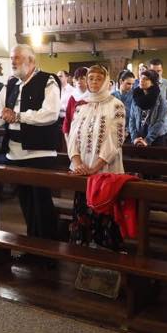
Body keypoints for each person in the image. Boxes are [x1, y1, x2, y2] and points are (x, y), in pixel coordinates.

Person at [0, 44, 62, 239]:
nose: (12, 62)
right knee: (26, 202)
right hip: (15, 152)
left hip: (39, 153)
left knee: (41, 203)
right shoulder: (11, 84)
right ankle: (32, 244)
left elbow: (51, 113)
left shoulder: (47, 80)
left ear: (31, 60)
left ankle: (47, 248)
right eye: (11, 58)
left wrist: (19, 116)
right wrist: (4, 115)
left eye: (17, 58)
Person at [67, 65, 127, 249]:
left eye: (98, 78)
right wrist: (77, 162)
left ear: (106, 81)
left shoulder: (116, 105)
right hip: (82, 170)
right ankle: (83, 250)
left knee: (104, 215)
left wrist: (95, 168)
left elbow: (116, 139)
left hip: (105, 170)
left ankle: (105, 254)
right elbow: (72, 136)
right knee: (83, 213)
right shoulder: (81, 106)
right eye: (91, 78)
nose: (94, 82)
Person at [127, 70, 167, 147]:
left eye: (146, 79)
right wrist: (134, 138)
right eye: (141, 78)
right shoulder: (136, 96)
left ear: (153, 82)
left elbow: (160, 121)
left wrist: (147, 140)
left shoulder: (160, 98)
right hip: (139, 136)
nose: (141, 80)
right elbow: (132, 119)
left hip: (156, 138)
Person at [62, 67, 89, 135]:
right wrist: (66, 134)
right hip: (74, 133)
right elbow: (67, 118)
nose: (79, 81)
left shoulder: (93, 97)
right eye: (77, 79)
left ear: (88, 80)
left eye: (82, 78)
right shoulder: (73, 97)